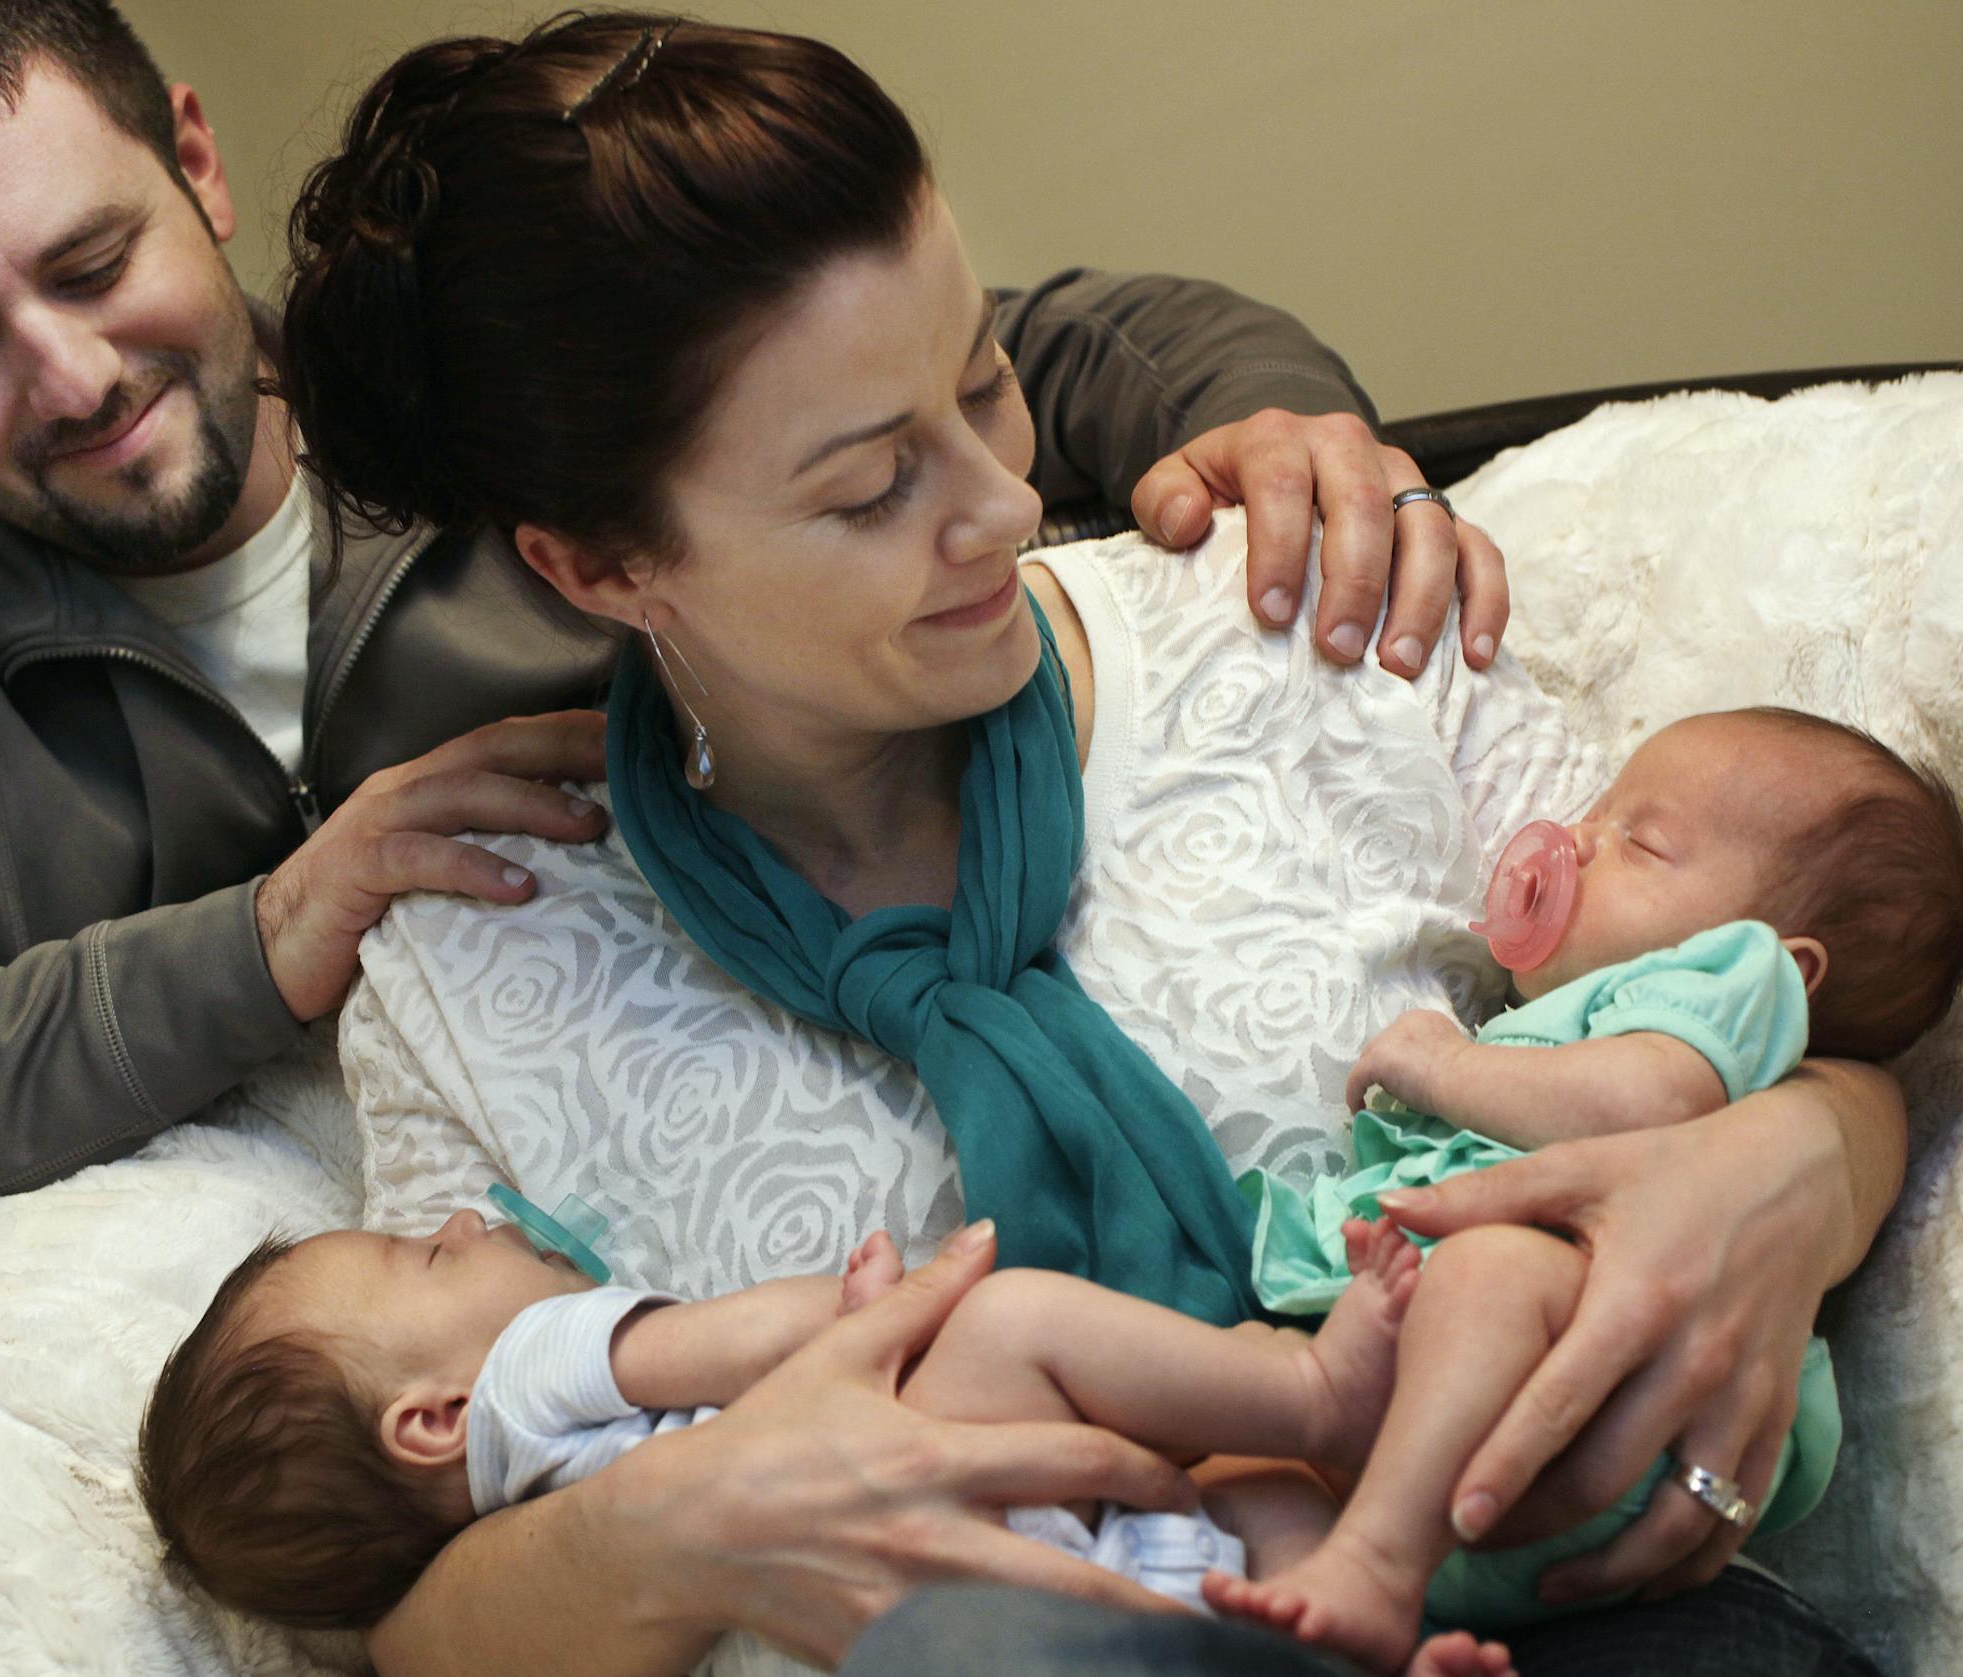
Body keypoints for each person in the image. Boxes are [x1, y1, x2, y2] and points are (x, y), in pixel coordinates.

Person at [273, 14, 1906, 1677]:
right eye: (870, 486)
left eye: (984, 379)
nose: (1005, 500)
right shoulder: (482, 957)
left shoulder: (1304, 630)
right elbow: (401, 1608)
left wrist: (1809, 1162)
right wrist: (684, 1526)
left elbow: (1777, 985)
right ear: (600, 568)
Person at [0, 0, 1490, 1311]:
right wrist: (263, 942)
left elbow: (1005, 349)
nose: (75, 375)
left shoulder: (510, 396)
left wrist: (1289, 438)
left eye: (95, 264)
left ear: (194, 159)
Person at [1211, 707, 1963, 1671]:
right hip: (1429, 1413)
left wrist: (1443, 1065)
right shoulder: (1572, 1014)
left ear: (1782, 966)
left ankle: (1374, 1566)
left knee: (1488, 1275)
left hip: (1590, 1401)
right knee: (1243, 1405)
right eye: (1598, 811)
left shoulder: (1717, 994)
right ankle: (1328, 1611)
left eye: (1640, 841)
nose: (1572, 838)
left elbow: (1648, 1104)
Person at [137, 1208, 1520, 1676]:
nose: (455, 1220)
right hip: (950, 1511)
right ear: (433, 1420)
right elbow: (744, 1343)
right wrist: (860, 1308)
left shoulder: (521, 1581)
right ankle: (1315, 1392)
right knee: (1020, 1323)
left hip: (926, 1604)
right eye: (417, 1253)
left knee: (1226, 1523)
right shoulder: (530, 1373)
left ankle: (1344, 1630)